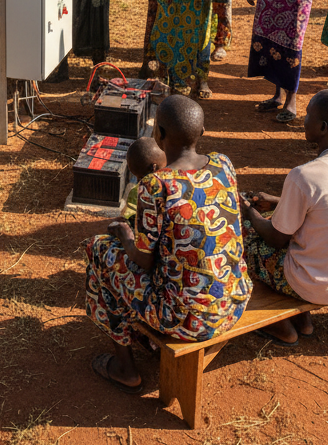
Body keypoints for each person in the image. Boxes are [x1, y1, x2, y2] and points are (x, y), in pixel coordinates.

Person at [84, 96, 252, 392]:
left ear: (158, 134)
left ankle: (125, 367)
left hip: (184, 320)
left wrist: (124, 235)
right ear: (202, 132)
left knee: (99, 249)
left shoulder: (156, 185)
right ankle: (144, 338)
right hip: (234, 303)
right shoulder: (224, 165)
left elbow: (143, 261)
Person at [239, 89, 328, 345]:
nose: (303, 120)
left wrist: (249, 211)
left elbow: (276, 239)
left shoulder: (304, 175)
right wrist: (277, 201)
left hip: (315, 284)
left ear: (323, 127)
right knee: (274, 223)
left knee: (243, 234)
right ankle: (303, 321)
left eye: (307, 115)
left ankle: (281, 326)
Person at [122, 136, 167, 225]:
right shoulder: (173, 185)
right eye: (164, 166)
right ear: (153, 168)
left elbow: (128, 218)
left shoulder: (136, 191)